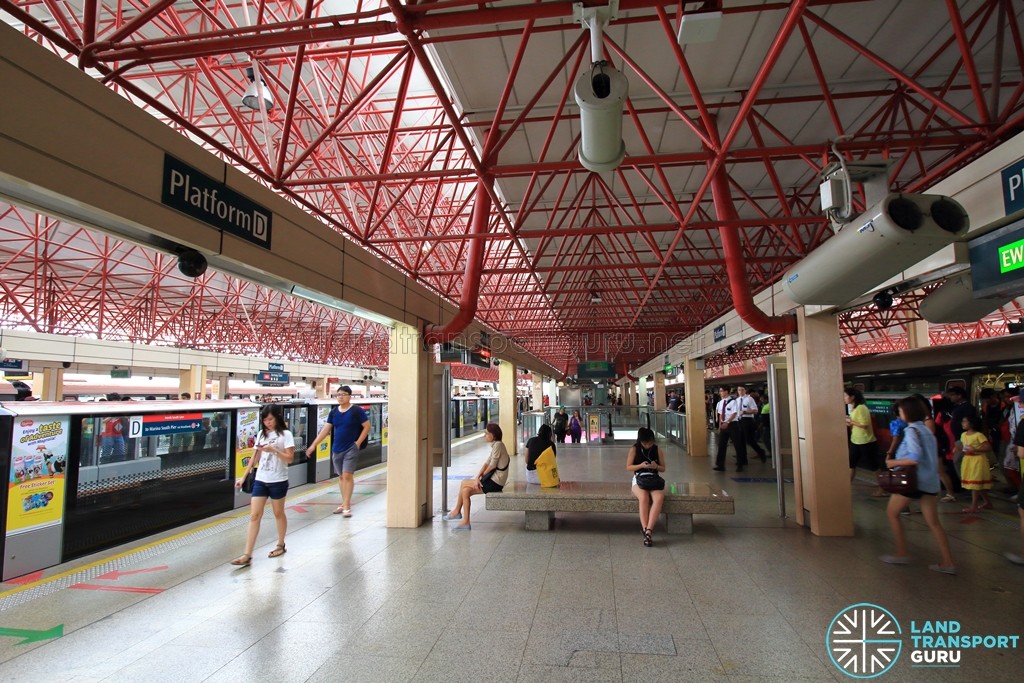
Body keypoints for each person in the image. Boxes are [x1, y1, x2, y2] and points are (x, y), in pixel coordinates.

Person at [879, 397, 956, 575]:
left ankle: (901, 552)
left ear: (908, 412)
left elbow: (914, 457)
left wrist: (892, 463)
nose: (899, 414)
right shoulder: (927, 430)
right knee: (934, 523)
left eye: (900, 411)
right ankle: (948, 562)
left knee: (892, 513)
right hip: (930, 482)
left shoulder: (913, 430)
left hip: (913, 483)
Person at [231, 404, 295, 566]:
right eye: (265, 420)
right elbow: (254, 458)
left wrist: (273, 450)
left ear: (277, 418)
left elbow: (289, 458)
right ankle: (247, 554)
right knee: (254, 515)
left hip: (278, 480)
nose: (268, 423)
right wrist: (243, 477)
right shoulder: (261, 434)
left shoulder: (286, 435)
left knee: (278, 513)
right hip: (261, 479)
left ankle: (280, 544)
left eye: (271, 419)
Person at [305, 385, 370, 517]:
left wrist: (357, 443)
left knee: (347, 475)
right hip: (336, 449)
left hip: (351, 448)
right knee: (341, 477)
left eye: (343, 394)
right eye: (338, 394)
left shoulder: (356, 411)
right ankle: (344, 502)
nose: (340, 397)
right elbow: (325, 430)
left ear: (349, 396)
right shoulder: (334, 412)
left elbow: (367, 426)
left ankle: (346, 506)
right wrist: (313, 445)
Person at [443, 423, 509, 530]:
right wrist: (478, 476)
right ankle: (464, 520)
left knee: (464, 484)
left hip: (496, 482)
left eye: (487, 433)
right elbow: (487, 463)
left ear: (494, 435)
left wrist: (480, 479)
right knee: (465, 490)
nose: (485, 435)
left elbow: (492, 465)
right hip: (494, 480)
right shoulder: (496, 445)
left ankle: (457, 512)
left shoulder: (498, 445)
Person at [627, 427, 666, 547]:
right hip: (639, 478)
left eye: (650, 443)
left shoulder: (657, 449)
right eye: (645, 443)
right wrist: (640, 465)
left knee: (659, 498)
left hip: (653, 478)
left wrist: (656, 467)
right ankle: (645, 529)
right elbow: (629, 467)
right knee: (644, 498)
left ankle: (649, 530)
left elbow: (663, 468)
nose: (648, 445)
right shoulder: (634, 449)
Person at [845, 387, 882, 495]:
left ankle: (882, 488)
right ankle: (847, 487)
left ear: (852, 397)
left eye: (845, 396)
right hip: (855, 440)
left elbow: (864, 425)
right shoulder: (854, 408)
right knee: (851, 464)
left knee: (873, 466)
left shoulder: (861, 408)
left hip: (866, 441)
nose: (844, 398)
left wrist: (850, 421)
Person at [959, 415, 993, 513]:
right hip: (968, 460)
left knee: (974, 483)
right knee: (977, 484)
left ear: (972, 423)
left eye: (965, 421)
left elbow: (988, 448)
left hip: (977, 461)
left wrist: (975, 449)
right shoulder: (963, 435)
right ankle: (987, 502)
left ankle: (974, 506)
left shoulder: (979, 435)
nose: (963, 423)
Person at [713, 387, 743, 472]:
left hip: (732, 425)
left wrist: (727, 422)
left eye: (722, 391)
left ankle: (740, 464)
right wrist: (720, 425)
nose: (720, 393)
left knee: (737, 445)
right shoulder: (720, 402)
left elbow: (734, 413)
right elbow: (720, 414)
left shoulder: (733, 402)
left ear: (727, 392)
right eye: (720, 391)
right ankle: (720, 465)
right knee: (722, 445)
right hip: (724, 426)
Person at [736, 386, 766, 463]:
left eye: (742, 390)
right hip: (740, 420)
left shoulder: (749, 399)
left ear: (745, 390)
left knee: (749, 440)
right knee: (741, 440)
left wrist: (745, 412)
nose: (741, 391)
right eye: (739, 390)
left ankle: (761, 452)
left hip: (748, 420)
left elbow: (755, 410)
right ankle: (743, 459)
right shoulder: (737, 400)